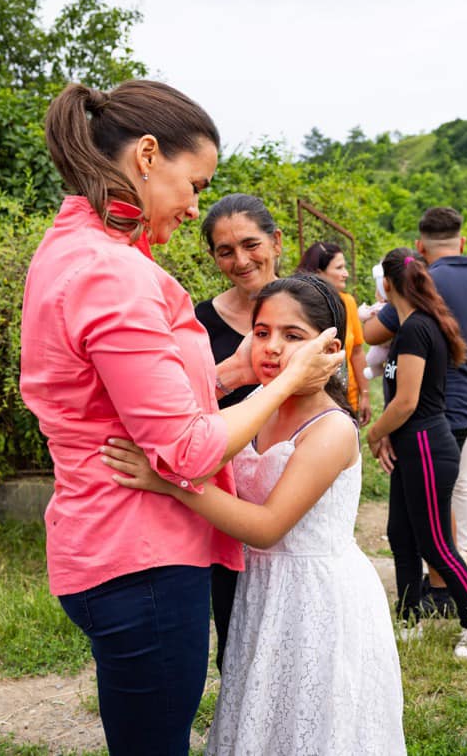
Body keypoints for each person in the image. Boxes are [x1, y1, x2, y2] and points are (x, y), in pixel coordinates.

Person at [18, 79, 342, 755]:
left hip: (106, 543)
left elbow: (147, 394)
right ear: (145, 156)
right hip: (143, 559)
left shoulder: (72, 252)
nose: (196, 205)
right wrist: (284, 385)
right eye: (195, 184)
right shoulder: (112, 274)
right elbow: (190, 450)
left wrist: (240, 374)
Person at [102, 274, 406, 755]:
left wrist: (171, 483)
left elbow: (266, 528)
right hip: (261, 591)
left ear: (329, 347)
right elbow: (195, 440)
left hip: (318, 596)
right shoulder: (253, 406)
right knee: (263, 713)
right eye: (262, 332)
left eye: (293, 336)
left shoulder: (331, 430)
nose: (272, 347)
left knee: (312, 721)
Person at [364, 206, 467, 615]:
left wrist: (374, 431)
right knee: (444, 500)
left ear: (420, 248)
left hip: (425, 413)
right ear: (463, 239)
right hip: (461, 404)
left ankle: (452, 598)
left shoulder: (418, 303)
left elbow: (371, 334)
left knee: (433, 523)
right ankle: (431, 596)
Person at [196, 193, 284, 672]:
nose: (241, 260)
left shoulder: (311, 306)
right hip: (224, 494)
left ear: (275, 240)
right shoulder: (195, 323)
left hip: (294, 480)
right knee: (236, 628)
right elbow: (180, 412)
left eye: (251, 244)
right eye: (225, 251)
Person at [298, 241, 372, 426]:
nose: (345, 273)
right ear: (318, 272)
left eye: (345, 267)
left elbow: (356, 352)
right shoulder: (299, 306)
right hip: (309, 404)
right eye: (339, 268)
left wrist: (365, 394)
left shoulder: (348, 302)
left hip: (347, 400)